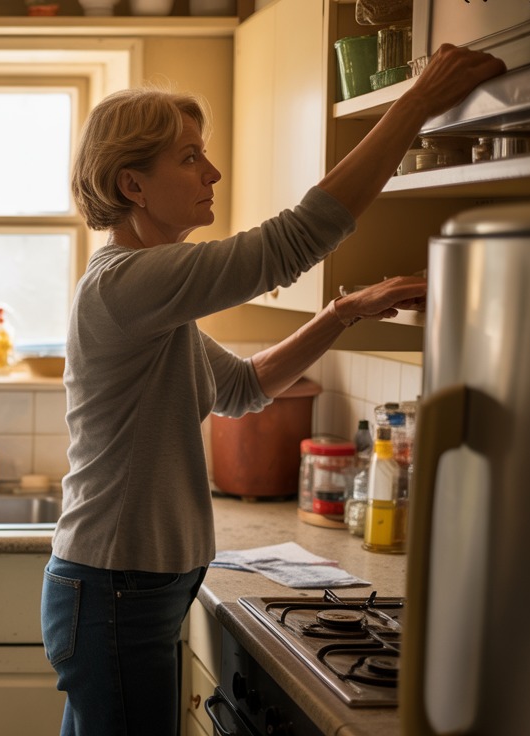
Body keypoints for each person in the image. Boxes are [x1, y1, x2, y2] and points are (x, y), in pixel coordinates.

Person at [42, 43, 505, 735]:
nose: (213, 171)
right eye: (189, 158)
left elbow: (242, 387)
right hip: (116, 584)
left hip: (133, 583)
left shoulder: (148, 294)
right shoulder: (127, 283)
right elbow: (294, 240)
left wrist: (342, 313)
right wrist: (416, 102)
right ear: (134, 186)